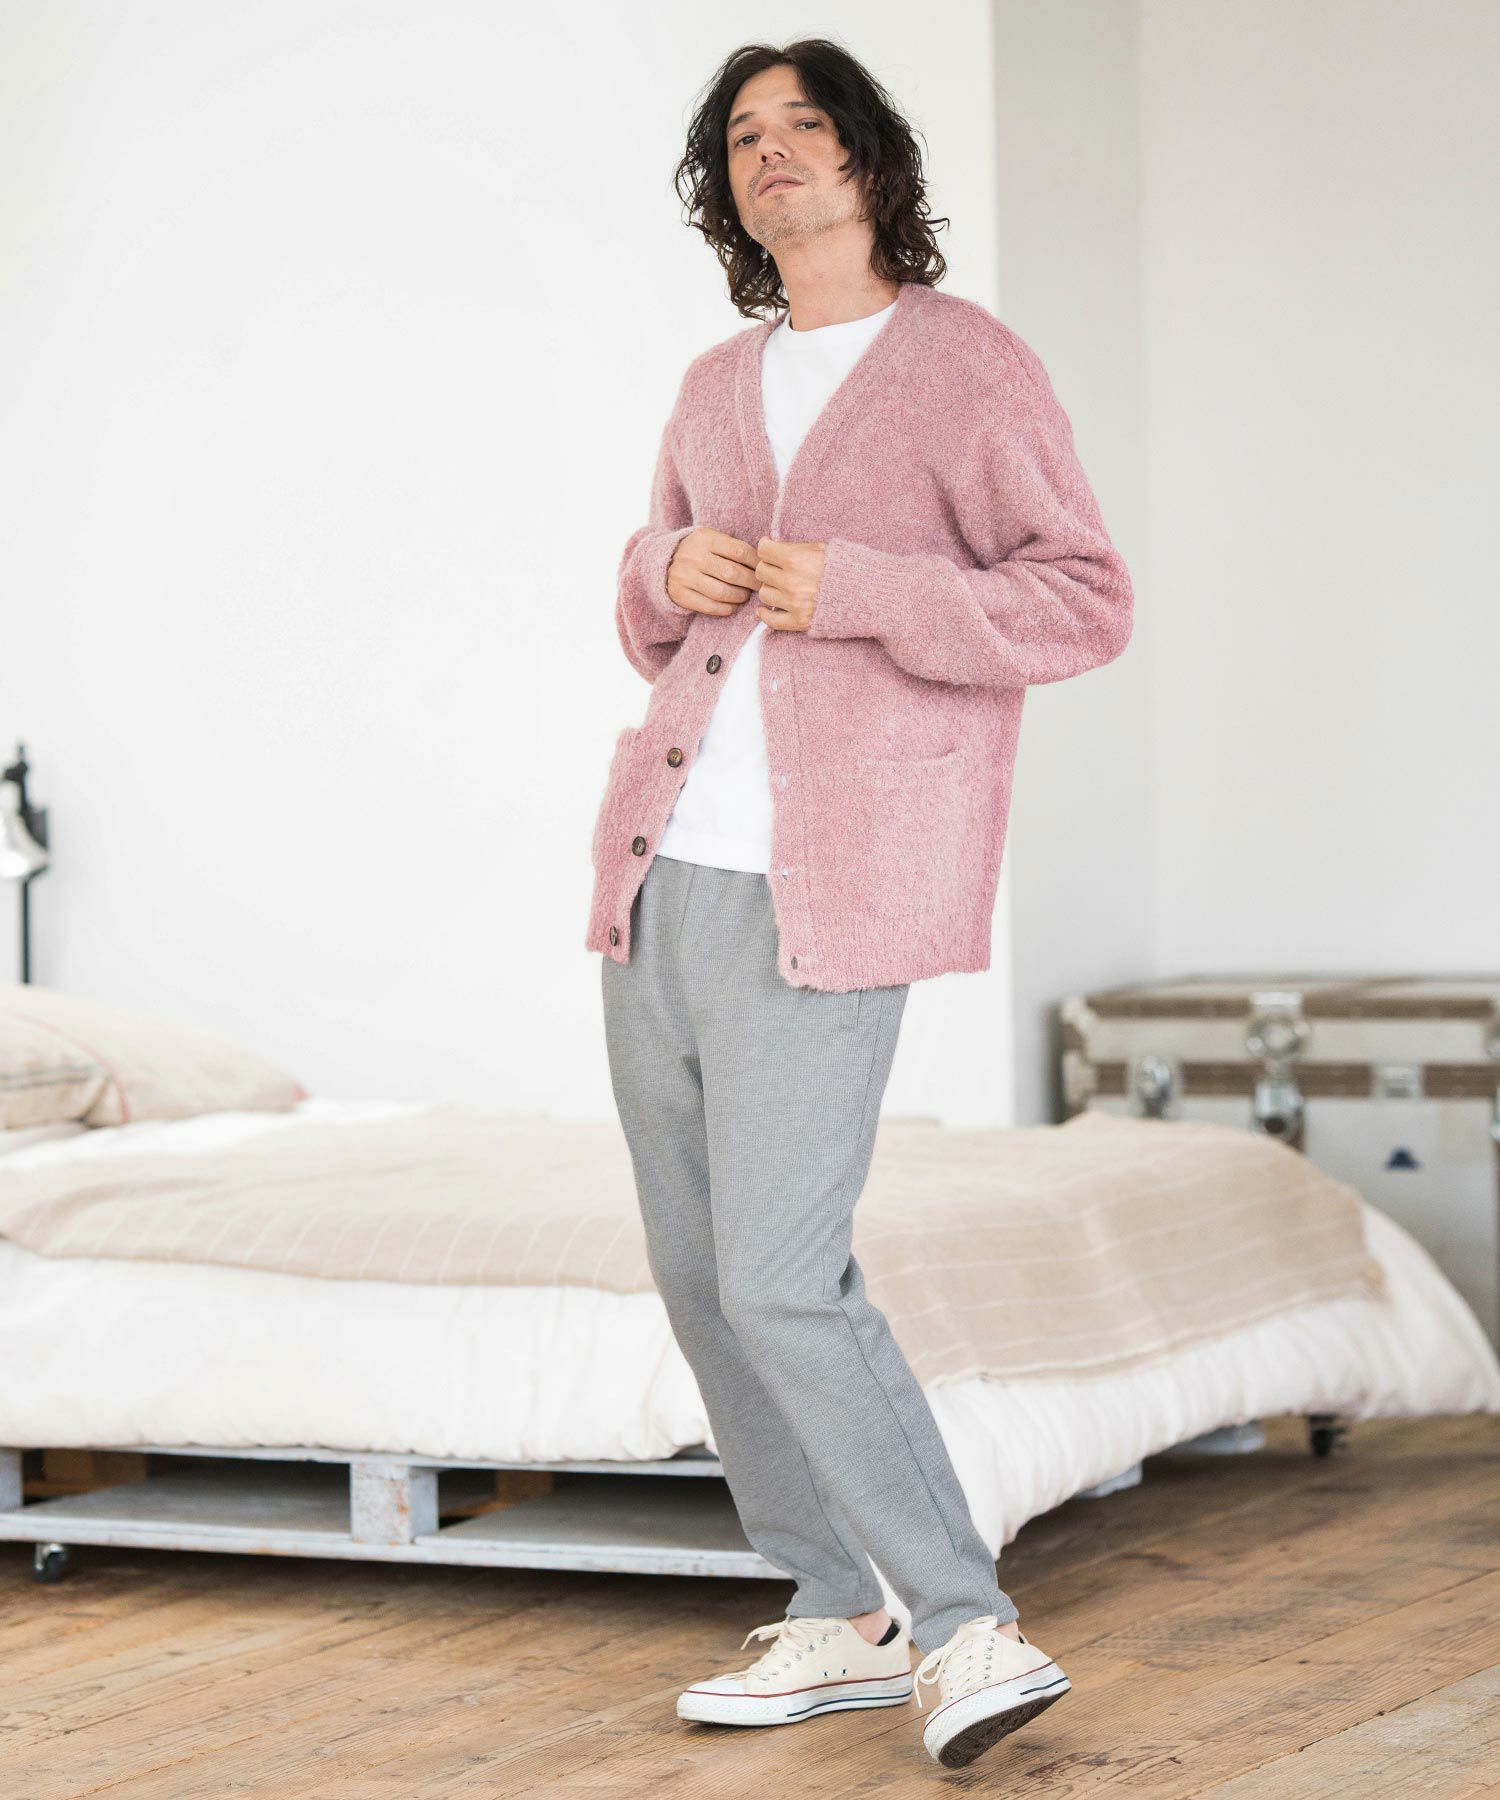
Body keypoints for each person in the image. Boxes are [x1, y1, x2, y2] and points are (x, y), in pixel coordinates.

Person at [587, 35, 1132, 1771]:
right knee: (699, 1276)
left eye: (804, 124)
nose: (773, 152)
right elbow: (654, 614)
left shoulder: (966, 368)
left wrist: (870, 589)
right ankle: (834, 1605)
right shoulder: (713, 383)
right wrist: (662, 566)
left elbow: (1081, 600)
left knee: (781, 1276)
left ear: (871, 162)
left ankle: (967, 1626)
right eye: (743, 135)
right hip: (664, 868)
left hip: (830, 884)